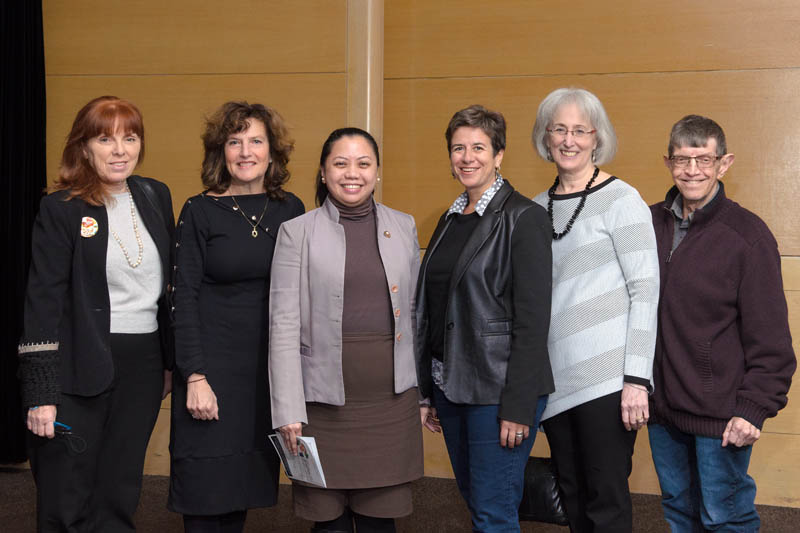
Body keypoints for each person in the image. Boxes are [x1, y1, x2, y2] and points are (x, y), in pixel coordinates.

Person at [18, 95, 175, 531]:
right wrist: (41, 393)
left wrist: (169, 362)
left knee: (119, 489)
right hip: (76, 365)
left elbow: (168, 291)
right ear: (84, 146)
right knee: (66, 493)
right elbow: (43, 301)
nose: (120, 150)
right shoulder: (62, 208)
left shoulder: (155, 195)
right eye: (105, 139)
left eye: (130, 138)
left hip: (143, 366)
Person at [269, 127, 423, 533]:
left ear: (377, 171)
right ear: (323, 172)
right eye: (340, 163)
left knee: (380, 522)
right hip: (319, 408)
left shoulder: (403, 226)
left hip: (390, 405)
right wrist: (287, 409)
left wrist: (423, 393)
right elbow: (283, 325)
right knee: (328, 523)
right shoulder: (296, 232)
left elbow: (415, 314)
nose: (352, 173)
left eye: (363, 163)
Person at [648, 114, 796, 531]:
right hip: (662, 410)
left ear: (724, 164)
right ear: (668, 162)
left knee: (724, 516)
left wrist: (754, 408)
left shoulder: (748, 237)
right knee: (678, 510)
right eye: (682, 159)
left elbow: (772, 340)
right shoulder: (647, 224)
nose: (692, 170)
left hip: (722, 416)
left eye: (704, 160)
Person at [415, 105, 554, 532]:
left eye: (478, 147)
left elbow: (533, 321)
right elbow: (435, 306)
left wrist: (518, 407)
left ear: (499, 154)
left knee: (494, 512)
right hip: (451, 384)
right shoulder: (450, 218)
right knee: (477, 502)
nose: (467, 157)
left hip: (498, 392)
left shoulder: (525, 217)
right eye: (458, 148)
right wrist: (427, 390)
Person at [168, 101, 304, 532]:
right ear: (220, 151)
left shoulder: (291, 209)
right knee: (205, 494)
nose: (246, 152)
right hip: (210, 374)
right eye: (234, 142)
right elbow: (182, 298)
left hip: (264, 376)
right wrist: (194, 376)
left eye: (256, 141)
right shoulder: (198, 210)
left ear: (272, 151)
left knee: (239, 494)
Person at [531, 87, 659, 532]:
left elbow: (646, 290)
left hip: (608, 383)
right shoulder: (535, 209)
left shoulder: (622, 200)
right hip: (555, 383)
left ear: (596, 137)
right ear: (546, 137)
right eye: (559, 129)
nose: (569, 140)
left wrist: (637, 379)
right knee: (572, 499)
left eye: (580, 130)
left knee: (606, 502)